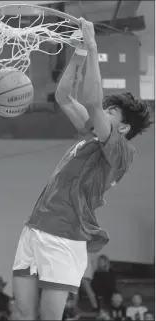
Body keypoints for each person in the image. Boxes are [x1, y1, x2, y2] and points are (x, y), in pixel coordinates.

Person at [12, 17, 152, 321]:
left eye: (111, 111)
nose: (104, 111)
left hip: (64, 235)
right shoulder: (91, 135)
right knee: (21, 313)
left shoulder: (122, 151)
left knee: (50, 316)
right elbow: (65, 97)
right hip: (35, 226)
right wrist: (76, 52)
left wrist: (91, 44)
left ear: (124, 127)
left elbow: (90, 101)